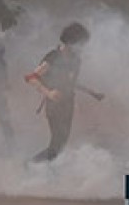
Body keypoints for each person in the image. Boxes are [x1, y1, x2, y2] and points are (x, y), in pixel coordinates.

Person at [24, 22, 104, 163]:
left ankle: (46, 168)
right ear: (70, 41)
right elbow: (31, 77)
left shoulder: (75, 60)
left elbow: (70, 82)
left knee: (62, 142)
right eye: (80, 43)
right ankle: (33, 164)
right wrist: (48, 93)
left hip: (68, 104)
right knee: (57, 141)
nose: (82, 48)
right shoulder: (53, 57)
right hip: (54, 105)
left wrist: (92, 93)